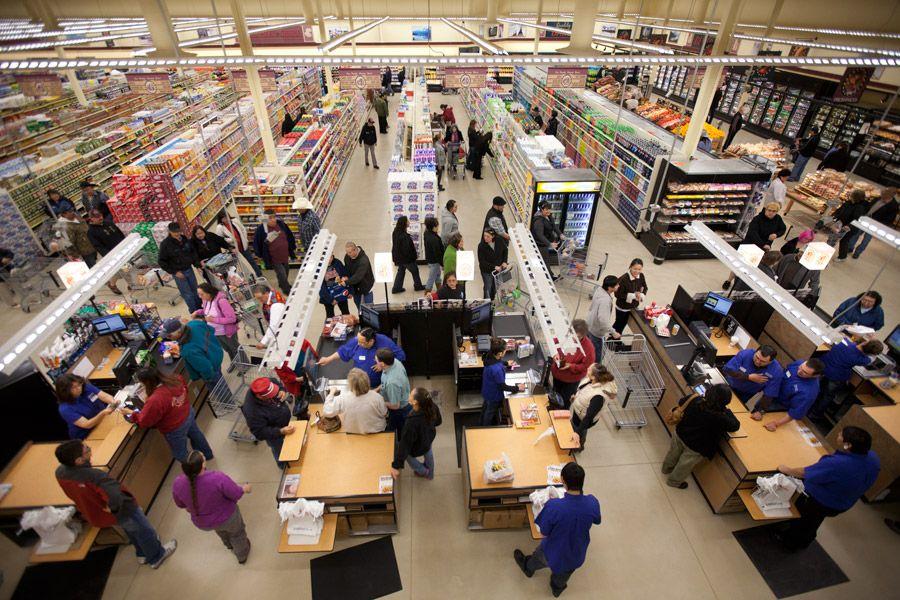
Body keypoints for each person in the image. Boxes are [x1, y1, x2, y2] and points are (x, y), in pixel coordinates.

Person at [55, 440, 177, 569]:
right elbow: (116, 496)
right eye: (87, 449)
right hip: (122, 511)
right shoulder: (95, 476)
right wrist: (115, 508)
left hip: (98, 513)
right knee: (144, 530)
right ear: (79, 460)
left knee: (131, 530)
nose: (90, 450)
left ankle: (142, 553)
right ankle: (156, 556)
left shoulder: (60, 473)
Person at [776, 426, 880, 550]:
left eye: (841, 435)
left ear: (848, 445)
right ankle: (803, 534)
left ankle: (792, 544)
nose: (838, 435)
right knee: (813, 521)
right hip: (843, 501)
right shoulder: (873, 458)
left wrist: (786, 469)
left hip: (821, 501)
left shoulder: (838, 464)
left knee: (805, 521)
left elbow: (805, 473)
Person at [513, 463, 600, 597]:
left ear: (563, 481)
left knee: (536, 560)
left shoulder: (554, 506)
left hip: (551, 552)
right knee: (564, 574)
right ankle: (557, 588)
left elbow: (543, 532)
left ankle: (528, 568)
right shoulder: (592, 502)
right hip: (576, 554)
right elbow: (597, 520)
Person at [172, 451, 252, 564]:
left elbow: (180, 504)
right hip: (228, 518)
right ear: (203, 464)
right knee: (237, 534)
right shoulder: (217, 478)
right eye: (204, 458)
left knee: (221, 531)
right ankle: (242, 555)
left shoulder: (178, 483)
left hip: (204, 523)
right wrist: (245, 488)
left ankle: (229, 546)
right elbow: (235, 494)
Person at [661, 384, 740, 489]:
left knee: (673, 453)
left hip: (680, 433)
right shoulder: (720, 417)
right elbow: (735, 426)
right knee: (684, 464)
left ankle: (666, 469)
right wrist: (727, 411)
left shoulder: (695, 399)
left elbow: (681, 402)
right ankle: (674, 482)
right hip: (696, 447)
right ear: (725, 402)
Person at [129, 367, 214, 462]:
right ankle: (207, 454)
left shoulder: (154, 399)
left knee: (181, 454)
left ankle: (195, 471)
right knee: (196, 435)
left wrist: (132, 414)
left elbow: (144, 421)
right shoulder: (175, 379)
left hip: (175, 427)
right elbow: (185, 389)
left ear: (147, 383)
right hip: (188, 413)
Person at [810, 338, 883, 422]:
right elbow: (870, 360)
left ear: (865, 342)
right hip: (835, 376)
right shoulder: (862, 359)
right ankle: (815, 415)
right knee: (828, 396)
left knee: (818, 388)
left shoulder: (845, 342)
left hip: (821, 367)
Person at [318, 327, 406, 388]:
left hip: (377, 384)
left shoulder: (384, 342)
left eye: (361, 342)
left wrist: (383, 365)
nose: (358, 344)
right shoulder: (357, 340)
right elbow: (344, 351)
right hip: (359, 383)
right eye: (358, 340)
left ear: (371, 341)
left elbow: (401, 355)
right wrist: (328, 359)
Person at [751, 358, 824, 430]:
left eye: (805, 372)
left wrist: (776, 424)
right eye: (801, 367)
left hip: (779, 405)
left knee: (759, 424)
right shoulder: (799, 363)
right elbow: (784, 371)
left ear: (815, 376)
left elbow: (794, 413)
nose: (799, 371)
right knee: (755, 411)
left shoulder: (809, 393)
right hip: (770, 393)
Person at [391, 387, 442, 480]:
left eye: (410, 394)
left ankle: (423, 471)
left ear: (415, 402)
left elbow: (405, 444)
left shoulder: (412, 422)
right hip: (429, 437)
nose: (409, 395)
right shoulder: (432, 406)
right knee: (428, 453)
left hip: (418, 446)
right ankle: (431, 474)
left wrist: (395, 466)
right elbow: (438, 422)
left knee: (408, 456)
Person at [242, 377, 294, 466]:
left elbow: (275, 382)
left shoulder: (265, 383)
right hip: (275, 435)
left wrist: (282, 389)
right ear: (260, 396)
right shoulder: (252, 411)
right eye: (271, 395)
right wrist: (280, 431)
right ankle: (283, 466)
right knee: (280, 451)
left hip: (284, 420)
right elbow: (259, 433)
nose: (274, 395)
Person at [162, 317, 224, 389]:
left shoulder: (188, 350)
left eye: (169, 336)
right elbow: (211, 330)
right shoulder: (194, 323)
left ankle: (228, 400)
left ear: (179, 332)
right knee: (220, 380)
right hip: (215, 354)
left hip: (212, 369)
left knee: (221, 391)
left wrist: (208, 378)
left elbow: (205, 368)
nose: (168, 338)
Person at [322, 368, 388, 434]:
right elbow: (384, 413)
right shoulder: (377, 397)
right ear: (367, 381)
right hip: (377, 431)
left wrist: (331, 393)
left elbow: (327, 412)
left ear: (351, 385)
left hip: (353, 432)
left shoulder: (344, 397)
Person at [54, 374, 118, 440]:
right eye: (74, 387)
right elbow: (87, 424)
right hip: (87, 434)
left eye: (79, 384)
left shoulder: (86, 388)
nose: (79, 388)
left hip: (103, 421)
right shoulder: (65, 409)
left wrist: (113, 402)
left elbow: (105, 396)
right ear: (65, 391)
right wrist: (103, 413)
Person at [550, 319, 596, 408]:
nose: (573, 338)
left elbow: (586, 367)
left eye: (577, 337)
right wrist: (555, 354)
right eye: (572, 334)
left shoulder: (589, 349)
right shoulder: (565, 335)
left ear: (583, 335)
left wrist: (570, 366)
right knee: (554, 396)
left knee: (564, 402)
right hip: (557, 374)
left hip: (570, 381)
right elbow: (554, 344)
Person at [569, 363, 616, 451]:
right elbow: (584, 391)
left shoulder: (598, 397)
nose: (587, 369)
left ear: (594, 377)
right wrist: (576, 397)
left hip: (583, 419)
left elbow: (588, 417)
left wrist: (577, 433)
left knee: (580, 430)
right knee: (574, 425)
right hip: (579, 411)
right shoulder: (590, 380)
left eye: (589, 369)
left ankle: (579, 447)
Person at [481, 337, 526, 426]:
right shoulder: (497, 370)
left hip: (487, 390)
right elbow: (503, 386)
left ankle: (481, 422)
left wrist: (505, 363)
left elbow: (496, 361)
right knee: (489, 413)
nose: (506, 351)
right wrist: (517, 388)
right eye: (505, 350)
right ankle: (484, 428)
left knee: (485, 408)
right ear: (500, 353)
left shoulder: (489, 355)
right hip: (494, 395)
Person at [159, 222, 202, 313]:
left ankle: (201, 308)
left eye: (178, 231)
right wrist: (175, 272)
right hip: (179, 273)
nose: (177, 233)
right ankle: (194, 312)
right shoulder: (165, 244)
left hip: (189, 269)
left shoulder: (184, 239)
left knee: (196, 290)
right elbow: (161, 261)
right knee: (187, 294)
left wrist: (197, 265)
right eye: (175, 232)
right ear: (170, 232)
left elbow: (192, 252)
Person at [846, 187, 898, 259]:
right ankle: (850, 248)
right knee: (856, 234)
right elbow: (869, 206)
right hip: (865, 219)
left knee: (866, 240)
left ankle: (857, 252)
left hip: (874, 225)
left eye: (885, 195)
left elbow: (889, 219)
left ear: (891, 195)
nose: (882, 196)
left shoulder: (893, 206)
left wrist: (880, 226)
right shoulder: (878, 198)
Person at [253, 210, 296, 295]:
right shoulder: (261, 230)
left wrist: (292, 247)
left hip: (284, 255)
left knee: (286, 271)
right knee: (282, 274)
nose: (273, 220)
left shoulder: (281, 224)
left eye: (274, 217)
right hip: (274, 258)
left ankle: (282, 284)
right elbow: (257, 243)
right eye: (270, 218)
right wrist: (261, 253)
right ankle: (286, 290)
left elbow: (289, 235)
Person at [193, 282, 239, 359]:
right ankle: (234, 361)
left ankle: (244, 365)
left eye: (202, 294)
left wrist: (213, 320)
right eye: (199, 294)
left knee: (235, 349)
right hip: (215, 332)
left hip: (226, 332)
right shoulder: (205, 300)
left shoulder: (222, 301)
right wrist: (197, 312)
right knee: (227, 349)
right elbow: (207, 311)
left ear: (209, 292)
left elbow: (232, 319)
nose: (200, 297)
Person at [86, 209, 126, 294]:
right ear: (91, 219)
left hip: (123, 248)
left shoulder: (108, 223)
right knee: (117, 270)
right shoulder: (91, 232)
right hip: (111, 254)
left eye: (100, 215)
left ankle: (130, 284)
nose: (100, 218)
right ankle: (112, 284)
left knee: (126, 267)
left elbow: (119, 233)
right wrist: (109, 255)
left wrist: (126, 243)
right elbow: (98, 246)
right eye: (97, 217)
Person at [375, 348, 411, 432]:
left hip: (400, 411)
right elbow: (385, 382)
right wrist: (376, 390)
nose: (375, 361)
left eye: (376, 360)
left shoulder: (392, 383)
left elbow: (395, 405)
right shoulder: (394, 361)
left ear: (382, 364)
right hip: (398, 396)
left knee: (395, 430)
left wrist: (379, 402)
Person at [585, 275, 621, 359]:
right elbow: (603, 321)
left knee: (588, 349)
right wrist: (614, 333)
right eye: (616, 285)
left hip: (590, 325)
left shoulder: (599, 290)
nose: (618, 286)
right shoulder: (605, 301)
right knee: (597, 356)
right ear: (610, 288)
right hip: (596, 332)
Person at [216, 212, 261, 276]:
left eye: (228, 217)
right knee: (240, 265)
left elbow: (243, 229)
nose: (227, 219)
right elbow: (220, 239)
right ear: (221, 219)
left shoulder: (234, 221)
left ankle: (259, 274)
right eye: (224, 218)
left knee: (251, 261)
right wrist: (231, 240)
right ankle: (249, 277)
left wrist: (245, 239)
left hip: (243, 246)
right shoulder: (219, 227)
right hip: (234, 249)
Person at [613, 258, 648, 334]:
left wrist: (642, 295)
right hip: (623, 307)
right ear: (630, 267)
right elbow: (617, 294)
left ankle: (614, 337)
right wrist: (633, 296)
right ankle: (612, 338)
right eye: (635, 269)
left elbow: (645, 287)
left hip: (633, 306)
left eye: (639, 269)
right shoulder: (623, 279)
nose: (637, 271)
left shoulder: (641, 276)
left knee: (624, 323)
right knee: (619, 323)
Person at [836, 189, 872, 261]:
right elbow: (840, 210)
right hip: (843, 224)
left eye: (852, 194)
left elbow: (856, 219)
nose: (850, 195)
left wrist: (849, 226)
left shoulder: (860, 207)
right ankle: (842, 255)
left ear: (855, 197)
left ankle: (842, 257)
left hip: (851, 227)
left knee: (844, 240)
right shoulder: (849, 202)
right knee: (842, 239)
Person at [391, 216, 425, 293]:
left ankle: (396, 288)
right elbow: (407, 250)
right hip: (406, 259)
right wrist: (413, 258)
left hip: (398, 257)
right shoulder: (404, 236)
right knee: (415, 271)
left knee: (401, 271)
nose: (409, 222)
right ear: (404, 223)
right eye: (407, 221)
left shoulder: (396, 232)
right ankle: (418, 286)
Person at [531, 202, 563, 278]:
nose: (548, 211)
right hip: (540, 244)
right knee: (544, 261)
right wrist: (549, 244)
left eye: (549, 209)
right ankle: (549, 277)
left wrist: (560, 234)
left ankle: (549, 276)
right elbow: (540, 235)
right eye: (546, 209)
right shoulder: (538, 220)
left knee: (545, 260)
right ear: (541, 210)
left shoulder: (548, 216)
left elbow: (554, 226)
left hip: (545, 243)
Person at [342, 242, 375, 310]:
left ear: (355, 250)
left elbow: (358, 276)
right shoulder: (347, 257)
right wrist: (346, 276)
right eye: (347, 252)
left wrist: (346, 282)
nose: (348, 254)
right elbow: (347, 268)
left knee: (369, 308)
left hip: (366, 286)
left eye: (350, 252)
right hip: (355, 288)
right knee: (359, 308)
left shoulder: (363, 260)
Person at [477, 228, 508, 300]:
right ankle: (486, 302)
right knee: (488, 286)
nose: (485, 238)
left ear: (493, 236)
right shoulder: (481, 246)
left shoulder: (499, 240)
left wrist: (504, 261)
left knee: (496, 285)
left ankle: (492, 299)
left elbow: (505, 250)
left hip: (499, 270)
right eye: (484, 236)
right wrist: (494, 267)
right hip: (487, 271)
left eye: (488, 236)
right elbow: (482, 262)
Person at [253, 284, 285, 349]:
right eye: (257, 299)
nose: (259, 300)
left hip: (284, 331)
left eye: (260, 298)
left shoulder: (276, 305)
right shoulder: (273, 295)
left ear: (267, 293)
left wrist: (263, 342)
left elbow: (274, 325)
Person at [319, 254, 351, 318]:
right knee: (330, 316)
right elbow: (321, 287)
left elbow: (345, 275)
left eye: (331, 257)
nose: (329, 259)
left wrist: (349, 291)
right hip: (327, 296)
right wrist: (331, 300)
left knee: (346, 313)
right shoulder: (319, 267)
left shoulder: (337, 262)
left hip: (340, 292)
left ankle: (348, 327)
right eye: (326, 257)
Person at [423, 216, 444, 292]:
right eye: (437, 225)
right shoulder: (434, 239)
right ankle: (427, 293)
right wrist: (442, 264)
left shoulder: (427, 233)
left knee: (437, 275)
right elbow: (437, 254)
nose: (438, 227)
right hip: (434, 261)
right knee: (431, 278)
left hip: (430, 259)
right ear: (433, 227)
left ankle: (439, 289)